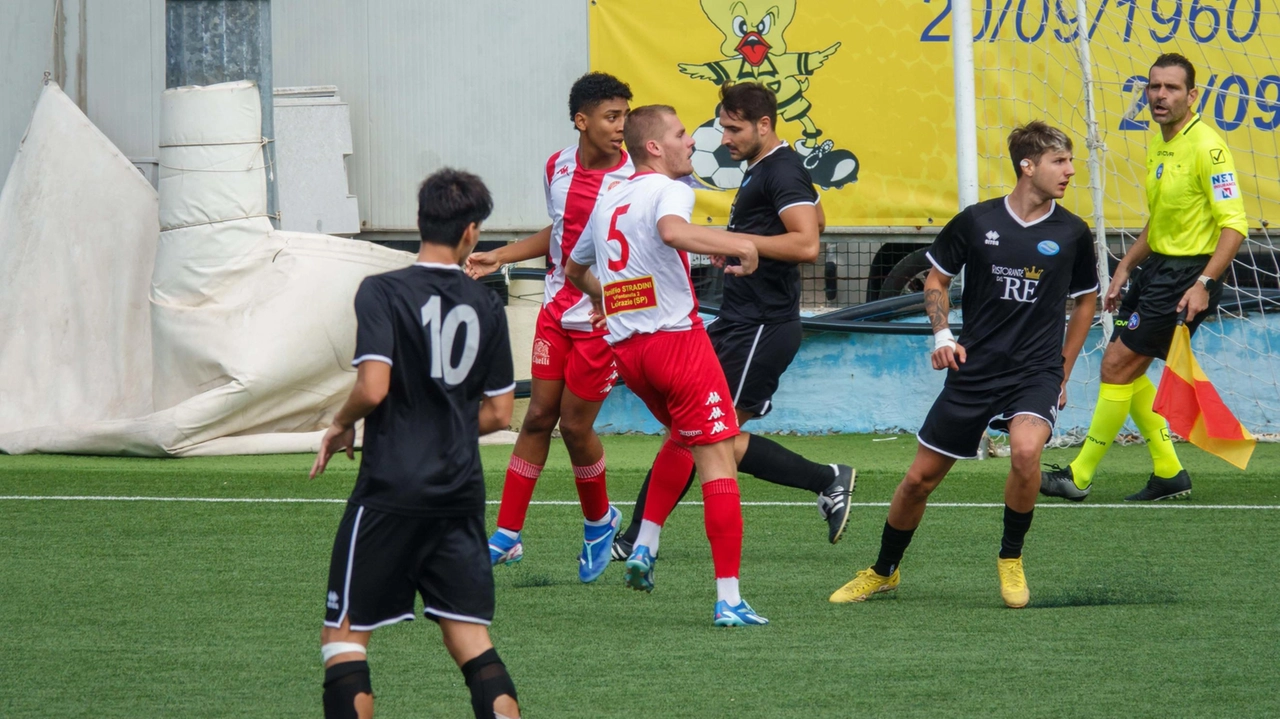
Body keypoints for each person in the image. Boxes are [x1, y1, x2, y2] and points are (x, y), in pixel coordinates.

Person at [829, 121, 1099, 608]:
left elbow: (1086, 303)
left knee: (1024, 452)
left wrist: (1062, 368)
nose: (1070, 171)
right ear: (1028, 166)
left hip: (1034, 370)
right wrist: (942, 335)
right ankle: (884, 570)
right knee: (918, 481)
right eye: (1060, 161)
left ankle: (1010, 559)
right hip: (975, 368)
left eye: (1070, 161)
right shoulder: (977, 221)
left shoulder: (1073, 233)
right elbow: (935, 281)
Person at [611, 82, 854, 564]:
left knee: (702, 436)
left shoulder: (778, 169)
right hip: (739, 320)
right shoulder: (768, 169)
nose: (724, 137)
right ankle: (825, 479)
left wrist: (743, 244)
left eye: (734, 128)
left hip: (762, 327)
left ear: (765, 125)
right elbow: (816, 217)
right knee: (701, 433)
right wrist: (745, 242)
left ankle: (636, 538)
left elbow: (807, 244)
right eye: (722, 126)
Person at [311, 169, 520, 719]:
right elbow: (499, 412)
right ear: (471, 233)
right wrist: (445, 424)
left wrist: (340, 422)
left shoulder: (382, 291)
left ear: (419, 219)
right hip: (458, 493)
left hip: (389, 489)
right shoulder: (488, 306)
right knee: (473, 645)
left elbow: (373, 386)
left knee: (344, 641)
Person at [564, 104, 769, 626]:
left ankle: (644, 544)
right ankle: (728, 600)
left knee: (682, 436)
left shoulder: (612, 196)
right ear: (654, 147)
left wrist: (613, 300)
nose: (691, 142)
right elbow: (676, 232)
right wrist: (739, 245)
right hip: (677, 345)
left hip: (629, 354)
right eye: (681, 135)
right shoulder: (668, 189)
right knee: (718, 459)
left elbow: (575, 269)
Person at [1041, 53, 1249, 503]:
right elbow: (1160, 221)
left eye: (1172, 88)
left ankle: (1079, 476)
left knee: (1116, 365)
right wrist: (1124, 267)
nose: (1160, 95)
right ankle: (1169, 471)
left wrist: (1204, 284)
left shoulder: (1209, 148)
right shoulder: (1159, 142)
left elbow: (1234, 228)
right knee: (1123, 366)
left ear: (1192, 96)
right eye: (1154, 86)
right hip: (1155, 270)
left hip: (1188, 275)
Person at [465, 72, 633, 582]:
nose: (621, 126)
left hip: (603, 319)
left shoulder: (639, 178)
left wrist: (619, 301)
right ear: (581, 121)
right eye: (611, 116)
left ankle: (600, 520)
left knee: (576, 425)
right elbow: (559, 233)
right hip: (556, 312)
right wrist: (500, 254)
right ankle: (507, 536)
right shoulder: (557, 166)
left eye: (625, 115)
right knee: (537, 416)